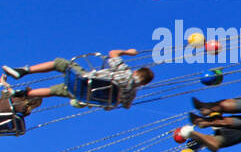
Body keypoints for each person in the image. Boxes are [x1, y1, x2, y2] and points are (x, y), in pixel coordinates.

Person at [4, 50, 151, 111]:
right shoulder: (131, 94)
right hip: (84, 95)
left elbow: (112, 53)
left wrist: (129, 52)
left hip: (84, 81)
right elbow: (125, 105)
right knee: (54, 91)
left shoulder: (124, 71)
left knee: (60, 63)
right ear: (143, 84)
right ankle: (22, 94)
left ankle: (23, 71)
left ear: (137, 72)